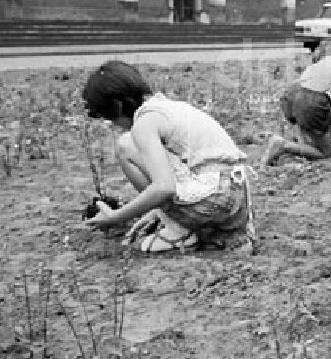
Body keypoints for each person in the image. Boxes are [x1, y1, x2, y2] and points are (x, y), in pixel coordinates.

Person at [82, 61, 255, 254]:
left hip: (214, 197)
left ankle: (179, 231)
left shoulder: (144, 123)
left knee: (126, 145)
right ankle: (231, 234)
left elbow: (164, 187)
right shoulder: (168, 107)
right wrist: (157, 210)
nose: (112, 124)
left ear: (117, 106)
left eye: (107, 116)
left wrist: (115, 217)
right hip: (237, 198)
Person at [261, 40, 331, 167]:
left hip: (293, 98)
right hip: (311, 101)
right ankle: (283, 145)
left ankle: (279, 154)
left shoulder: (316, 67)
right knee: (324, 152)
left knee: (310, 142)